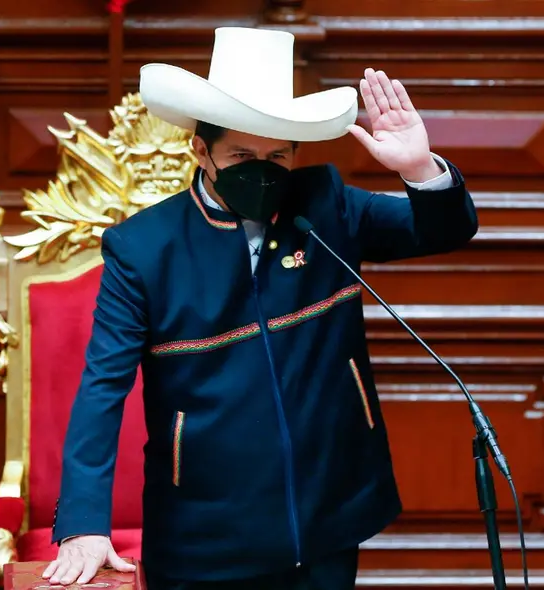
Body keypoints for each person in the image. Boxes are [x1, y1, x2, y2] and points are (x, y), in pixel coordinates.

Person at [41, 26, 478, 590]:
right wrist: (83, 523)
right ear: (201, 150)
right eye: (242, 155)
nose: (261, 169)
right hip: (205, 531)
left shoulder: (327, 204)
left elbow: (442, 229)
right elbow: (104, 385)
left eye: (276, 155)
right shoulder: (144, 248)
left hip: (328, 513)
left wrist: (419, 170)